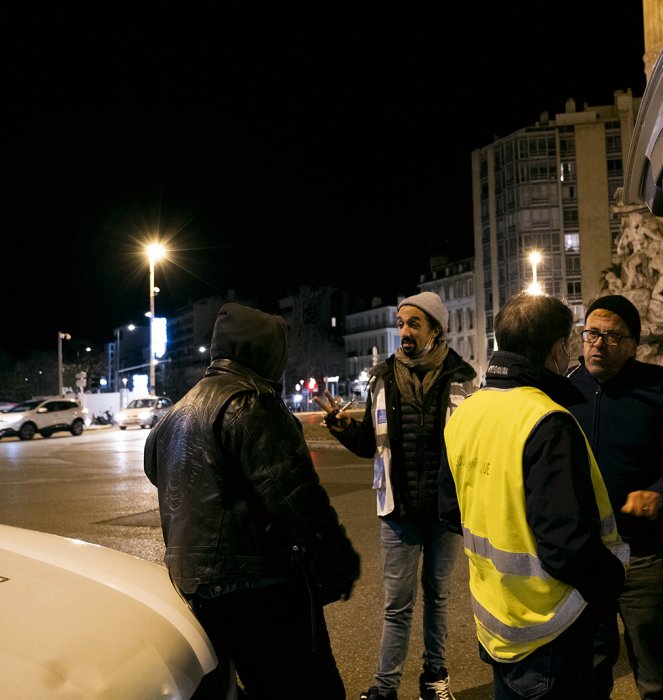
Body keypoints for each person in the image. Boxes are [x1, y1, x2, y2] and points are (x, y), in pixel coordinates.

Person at [144, 302, 360, 699]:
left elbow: (159, 477)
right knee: (310, 689)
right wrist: (338, 561)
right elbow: (296, 498)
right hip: (260, 589)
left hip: (192, 584)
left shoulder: (174, 415)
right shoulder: (252, 403)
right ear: (266, 352)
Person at [439, 291, 629, 699]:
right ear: (558, 349)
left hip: (496, 620)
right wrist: (613, 578)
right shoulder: (546, 420)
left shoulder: (467, 413)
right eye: (572, 342)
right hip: (551, 627)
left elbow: (449, 509)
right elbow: (566, 545)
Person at [316, 291, 476, 700]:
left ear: (435, 330)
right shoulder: (382, 378)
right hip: (398, 513)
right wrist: (342, 427)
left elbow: (473, 444)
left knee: (439, 598)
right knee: (397, 606)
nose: (404, 332)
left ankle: (434, 679)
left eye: (413, 324)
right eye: (402, 324)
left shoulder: (462, 378)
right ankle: (385, 689)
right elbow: (373, 441)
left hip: (445, 513)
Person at [567, 294, 663, 700]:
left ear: (634, 345)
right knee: (588, 673)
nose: (598, 343)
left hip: (647, 555)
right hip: (586, 557)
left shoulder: (660, 387)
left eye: (612, 336)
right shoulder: (565, 391)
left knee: (657, 677)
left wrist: (661, 493)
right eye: (591, 333)